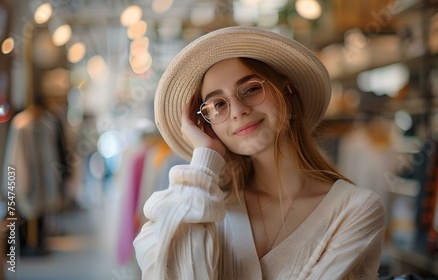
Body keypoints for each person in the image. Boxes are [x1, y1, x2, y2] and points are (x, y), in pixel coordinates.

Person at [133, 26, 386, 280]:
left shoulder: (355, 210)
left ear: (289, 92)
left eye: (251, 89)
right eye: (218, 104)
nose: (237, 111)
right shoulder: (204, 206)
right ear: (207, 125)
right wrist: (205, 159)